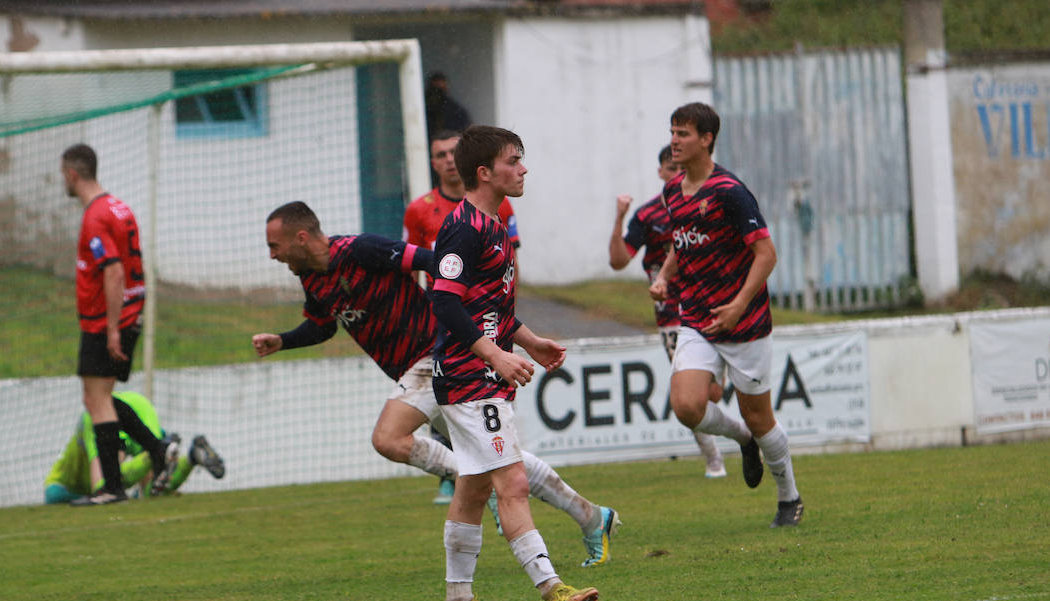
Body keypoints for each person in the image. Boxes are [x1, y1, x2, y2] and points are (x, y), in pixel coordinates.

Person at [253, 201, 619, 572]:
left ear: (300, 238)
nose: (272, 256)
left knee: (389, 438)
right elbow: (323, 325)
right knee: (501, 458)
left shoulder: (362, 250)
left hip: (437, 355)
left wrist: (475, 317)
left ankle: (469, 485)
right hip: (418, 371)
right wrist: (282, 341)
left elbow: (435, 263)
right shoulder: (312, 277)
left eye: (275, 246)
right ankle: (592, 516)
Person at [430, 126, 602, 601]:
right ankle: (553, 589)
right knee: (514, 482)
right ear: (484, 172)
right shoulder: (462, 227)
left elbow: (489, 308)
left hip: (482, 371)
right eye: (513, 160)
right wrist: (494, 356)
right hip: (468, 377)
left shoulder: (497, 222)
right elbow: (444, 299)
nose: (523, 168)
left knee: (474, 489)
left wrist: (528, 342)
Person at [650, 102, 803, 528]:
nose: (674, 141)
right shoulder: (671, 191)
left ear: (707, 139)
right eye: (673, 131)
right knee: (685, 405)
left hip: (745, 321)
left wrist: (738, 305)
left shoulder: (729, 191)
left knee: (761, 416)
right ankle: (742, 440)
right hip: (696, 316)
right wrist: (665, 276)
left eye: (683, 134)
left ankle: (789, 497)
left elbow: (766, 253)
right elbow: (683, 244)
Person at [404, 128, 520, 504]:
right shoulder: (427, 211)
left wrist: (520, 335)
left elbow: (500, 279)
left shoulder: (499, 213)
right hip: (451, 335)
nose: (449, 160)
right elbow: (437, 287)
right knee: (506, 475)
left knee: (491, 472)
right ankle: (452, 471)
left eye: (454, 152)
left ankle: (466, 473)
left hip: (485, 333)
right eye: (440, 154)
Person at [60, 143, 172, 507]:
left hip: (106, 322)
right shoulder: (119, 207)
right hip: (128, 315)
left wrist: (110, 329)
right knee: (98, 399)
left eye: (63, 175)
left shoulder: (95, 217)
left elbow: (113, 271)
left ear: (73, 174)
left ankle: (112, 488)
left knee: (97, 399)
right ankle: (158, 450)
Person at [610, 144, 726, 479]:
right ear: (662, 172)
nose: (678, 175)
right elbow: (619, 261)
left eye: (682, 169)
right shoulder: (648, 216)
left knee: (714, 391)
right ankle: (713, 458)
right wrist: (619, 217)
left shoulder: (709, 204)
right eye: (672, 169)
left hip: (712, 303)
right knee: (691, 391)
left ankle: (732, 441)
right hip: (673, 314)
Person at [44, 390, 224, 504]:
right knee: (150, 490)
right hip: (139, 408)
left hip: (116, 410)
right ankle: (189, 457)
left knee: (122, 488)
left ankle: (161, 452)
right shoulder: (95, 419)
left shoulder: (95, 416)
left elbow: (101, 485)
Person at [424, 72, 471, 141]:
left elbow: (466, 133)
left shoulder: (456, 111)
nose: (437, 94)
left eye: (440, 91)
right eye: (434, 89)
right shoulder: (423, 111)